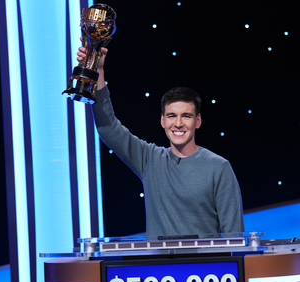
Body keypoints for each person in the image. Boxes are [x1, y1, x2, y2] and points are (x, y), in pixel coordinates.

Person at [78, 45, 244, 237]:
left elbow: (235, 235)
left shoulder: (219, 167)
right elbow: (109, 130)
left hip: (205, 266)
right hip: (159, 266)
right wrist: (98, 71)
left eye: (186, 116)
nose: (179, 123)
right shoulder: (150, 159)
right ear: (163, 121)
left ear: (197, 121)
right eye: (172, 116)